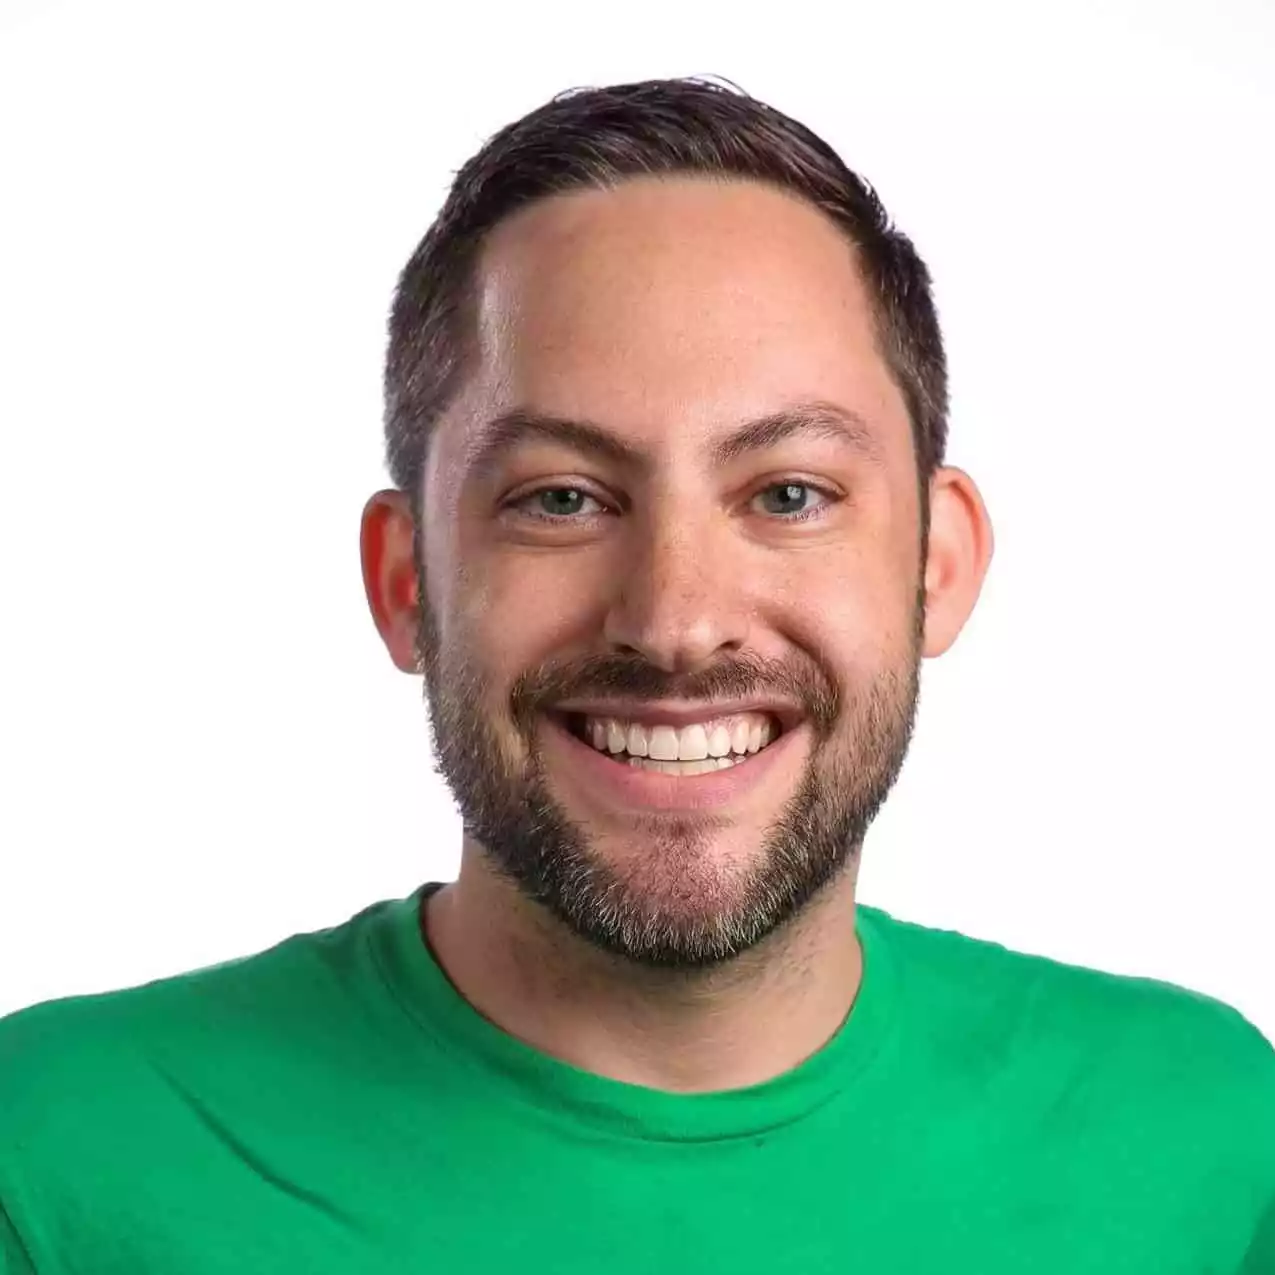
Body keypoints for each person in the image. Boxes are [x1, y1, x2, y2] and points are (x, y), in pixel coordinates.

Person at [1, 77, 1271, 1273]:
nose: (675, 621)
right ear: (408, 583)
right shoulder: (57, 1161)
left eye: (787, 493)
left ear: (938, 565)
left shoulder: (1205, 1147)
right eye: (560, 498)